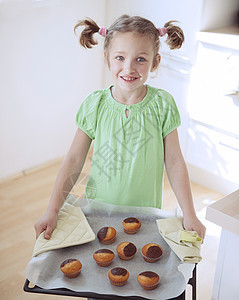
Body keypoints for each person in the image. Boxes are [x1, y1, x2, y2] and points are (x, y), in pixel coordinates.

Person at [34, 15, 206, 243]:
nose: (129, 67)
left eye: (141, 59)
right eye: (120, 57)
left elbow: (174, 162)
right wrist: (52, 211)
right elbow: (74, 160)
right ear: (107, 59)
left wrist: (190, 214)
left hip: (145, 217)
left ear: (155, 62)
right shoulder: (95, 105)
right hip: (96, 213)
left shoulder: (163, 105)